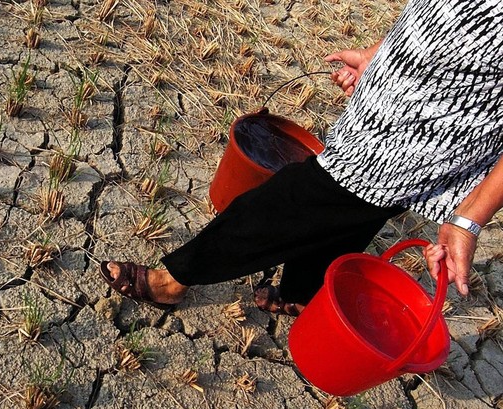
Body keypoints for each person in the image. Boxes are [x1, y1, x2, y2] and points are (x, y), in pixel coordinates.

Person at [100, 0, 503, 315]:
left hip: (429, 134)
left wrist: (468, 219)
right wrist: (378, 56)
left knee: (293, 202)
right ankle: (301, 295)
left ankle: (172, 280)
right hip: (388, 106)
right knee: (353, 209)